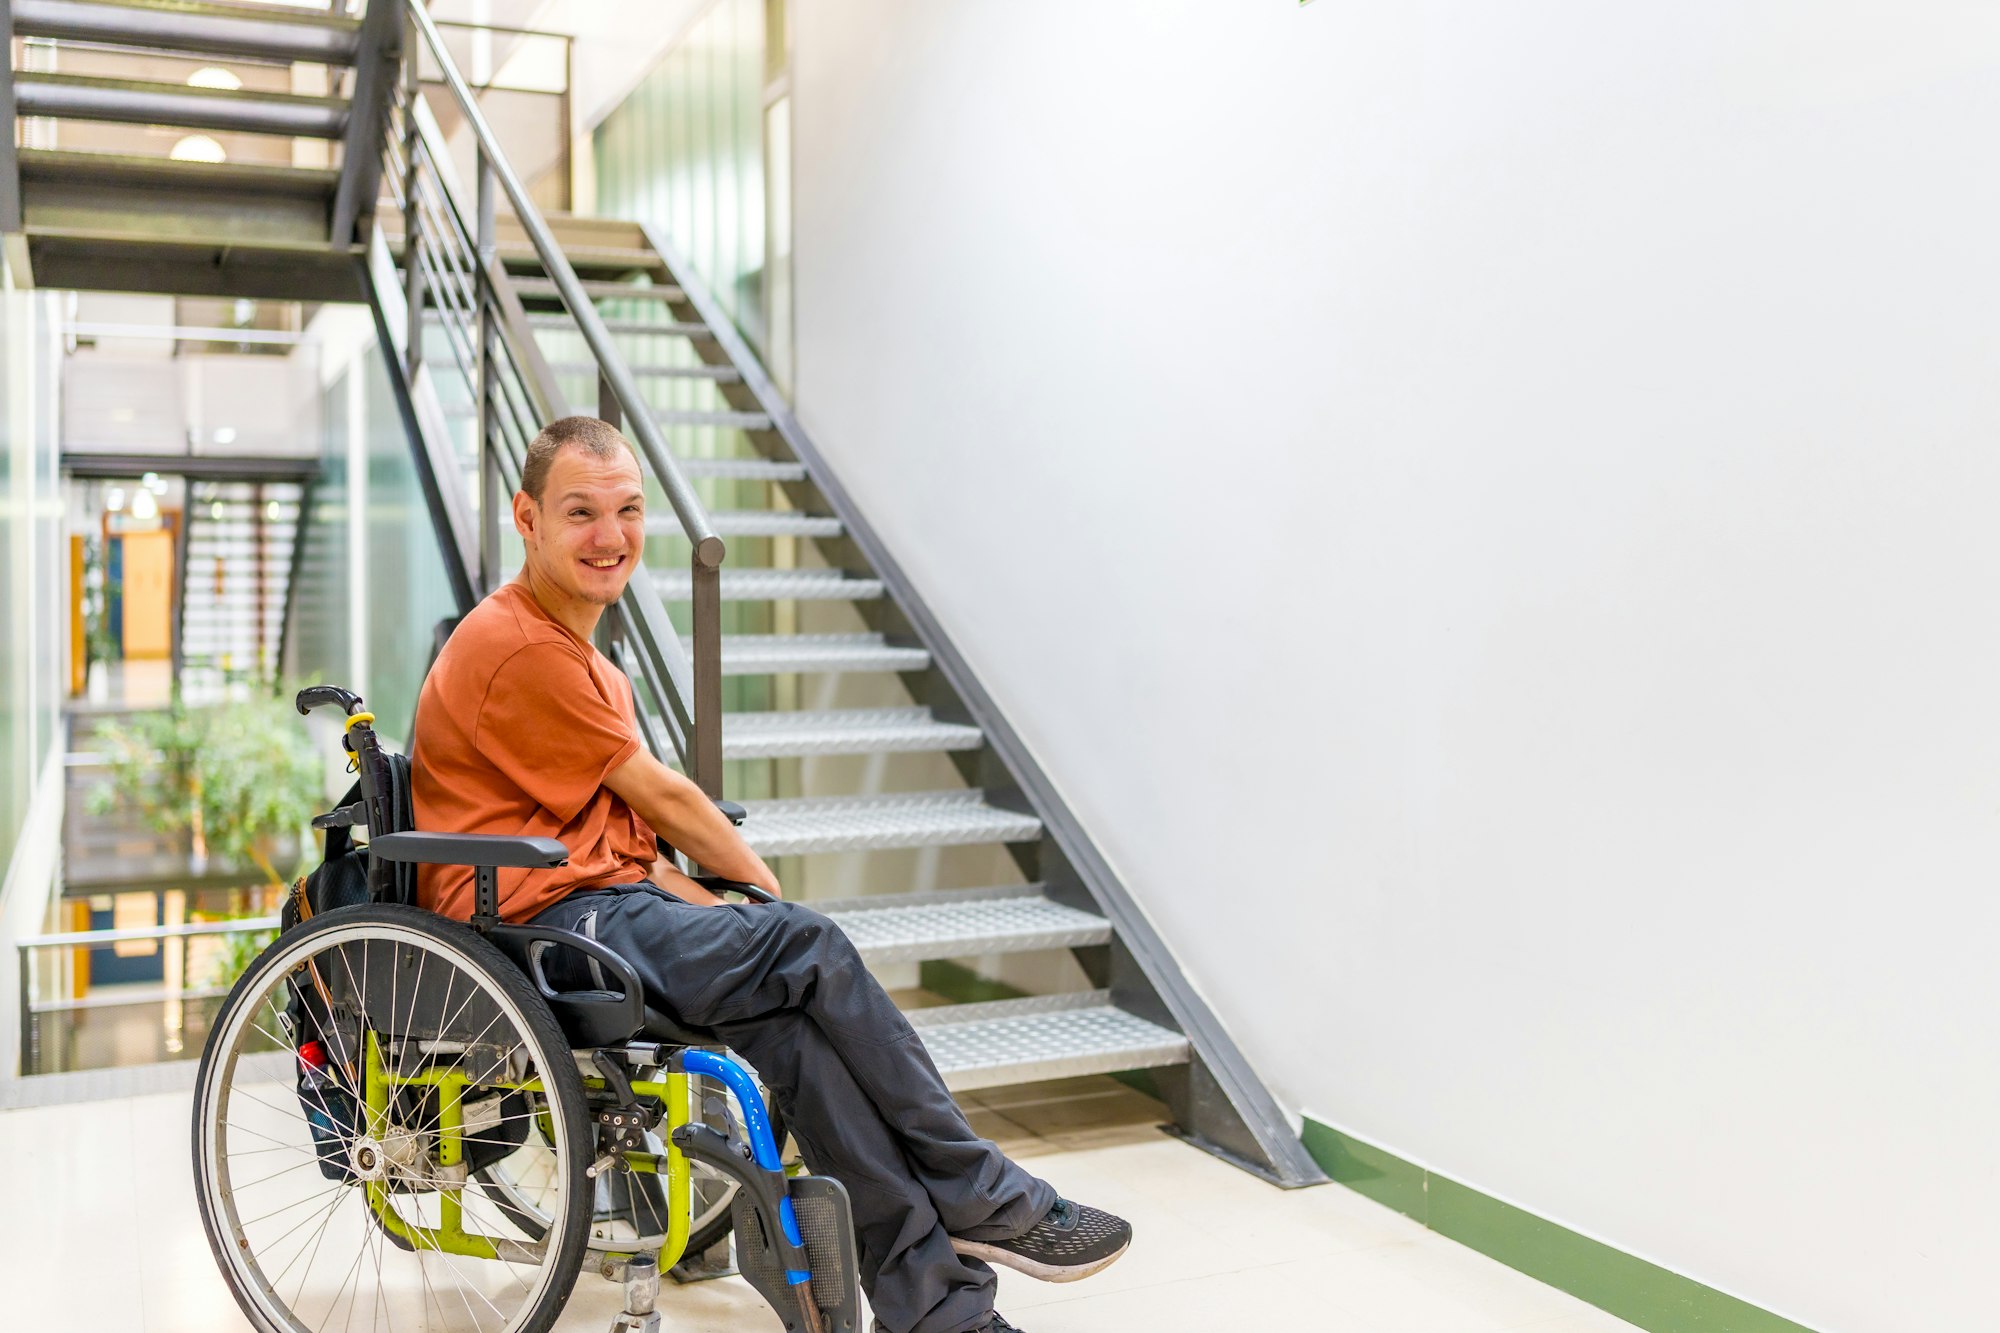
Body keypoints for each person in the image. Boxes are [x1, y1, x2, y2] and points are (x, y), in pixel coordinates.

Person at [411, 416, 1131, 1333]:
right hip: (536, 926)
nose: (610, 536)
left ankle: (938, 1312)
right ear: (527, 517)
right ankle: (987, 1192)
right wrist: (771, 898)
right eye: (581, 511)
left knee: (801, 1036)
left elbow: (630, 849)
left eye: (628, 510)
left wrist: (725, 914)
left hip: (601, 907)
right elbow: (665, 800)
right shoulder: (520, 645)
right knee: (809, 945)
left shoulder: (592, 661)